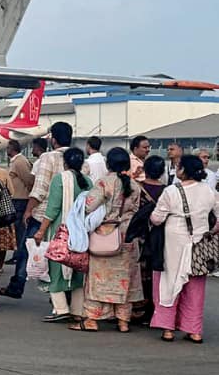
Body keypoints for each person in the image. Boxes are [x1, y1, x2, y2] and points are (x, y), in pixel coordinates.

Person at [70, 147, 142, 333]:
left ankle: (92, 320)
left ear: (108, 164)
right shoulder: (134, 186)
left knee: (97, 280)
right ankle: (123, 322)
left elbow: (88, 206)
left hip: (104, 236)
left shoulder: (104, 183)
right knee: (125, 280)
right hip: (127, 237)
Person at [150, 155, 219, 343]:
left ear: (183, 170)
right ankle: (194, 330)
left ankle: (168, 329)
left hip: (174, 243)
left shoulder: (171, 191)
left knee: (169, 283)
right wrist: (210, 230)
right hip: (200, 244)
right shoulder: (209, 191)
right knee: (196, 286)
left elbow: (157, 218)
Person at [2, 123, 72, 300]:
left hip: (43, 212)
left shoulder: (48, 158)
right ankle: (62, 290)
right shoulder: (77, 157)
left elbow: (40, 187)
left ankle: (17, 284)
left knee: (28, 248)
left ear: (53, 139)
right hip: (67, 213)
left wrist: (28, 209)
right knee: (62, 251)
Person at [33, 148, 92, 322]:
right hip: (81, 233)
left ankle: (60, 308)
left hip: (60, 231)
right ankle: (77, 310)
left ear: (64, 162)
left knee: (56, 268)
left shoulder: (60, 179)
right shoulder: (88, 181)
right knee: (78, 268)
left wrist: (41, 230)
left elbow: (52, 209)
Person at [132, 155, 168, 323]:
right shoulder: (168, 191)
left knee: (140, 273)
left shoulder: (137, 188)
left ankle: (138, 308)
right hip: (161, 236)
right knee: (158, 273)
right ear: (162, 172)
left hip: (140, 236)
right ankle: (156, 309)